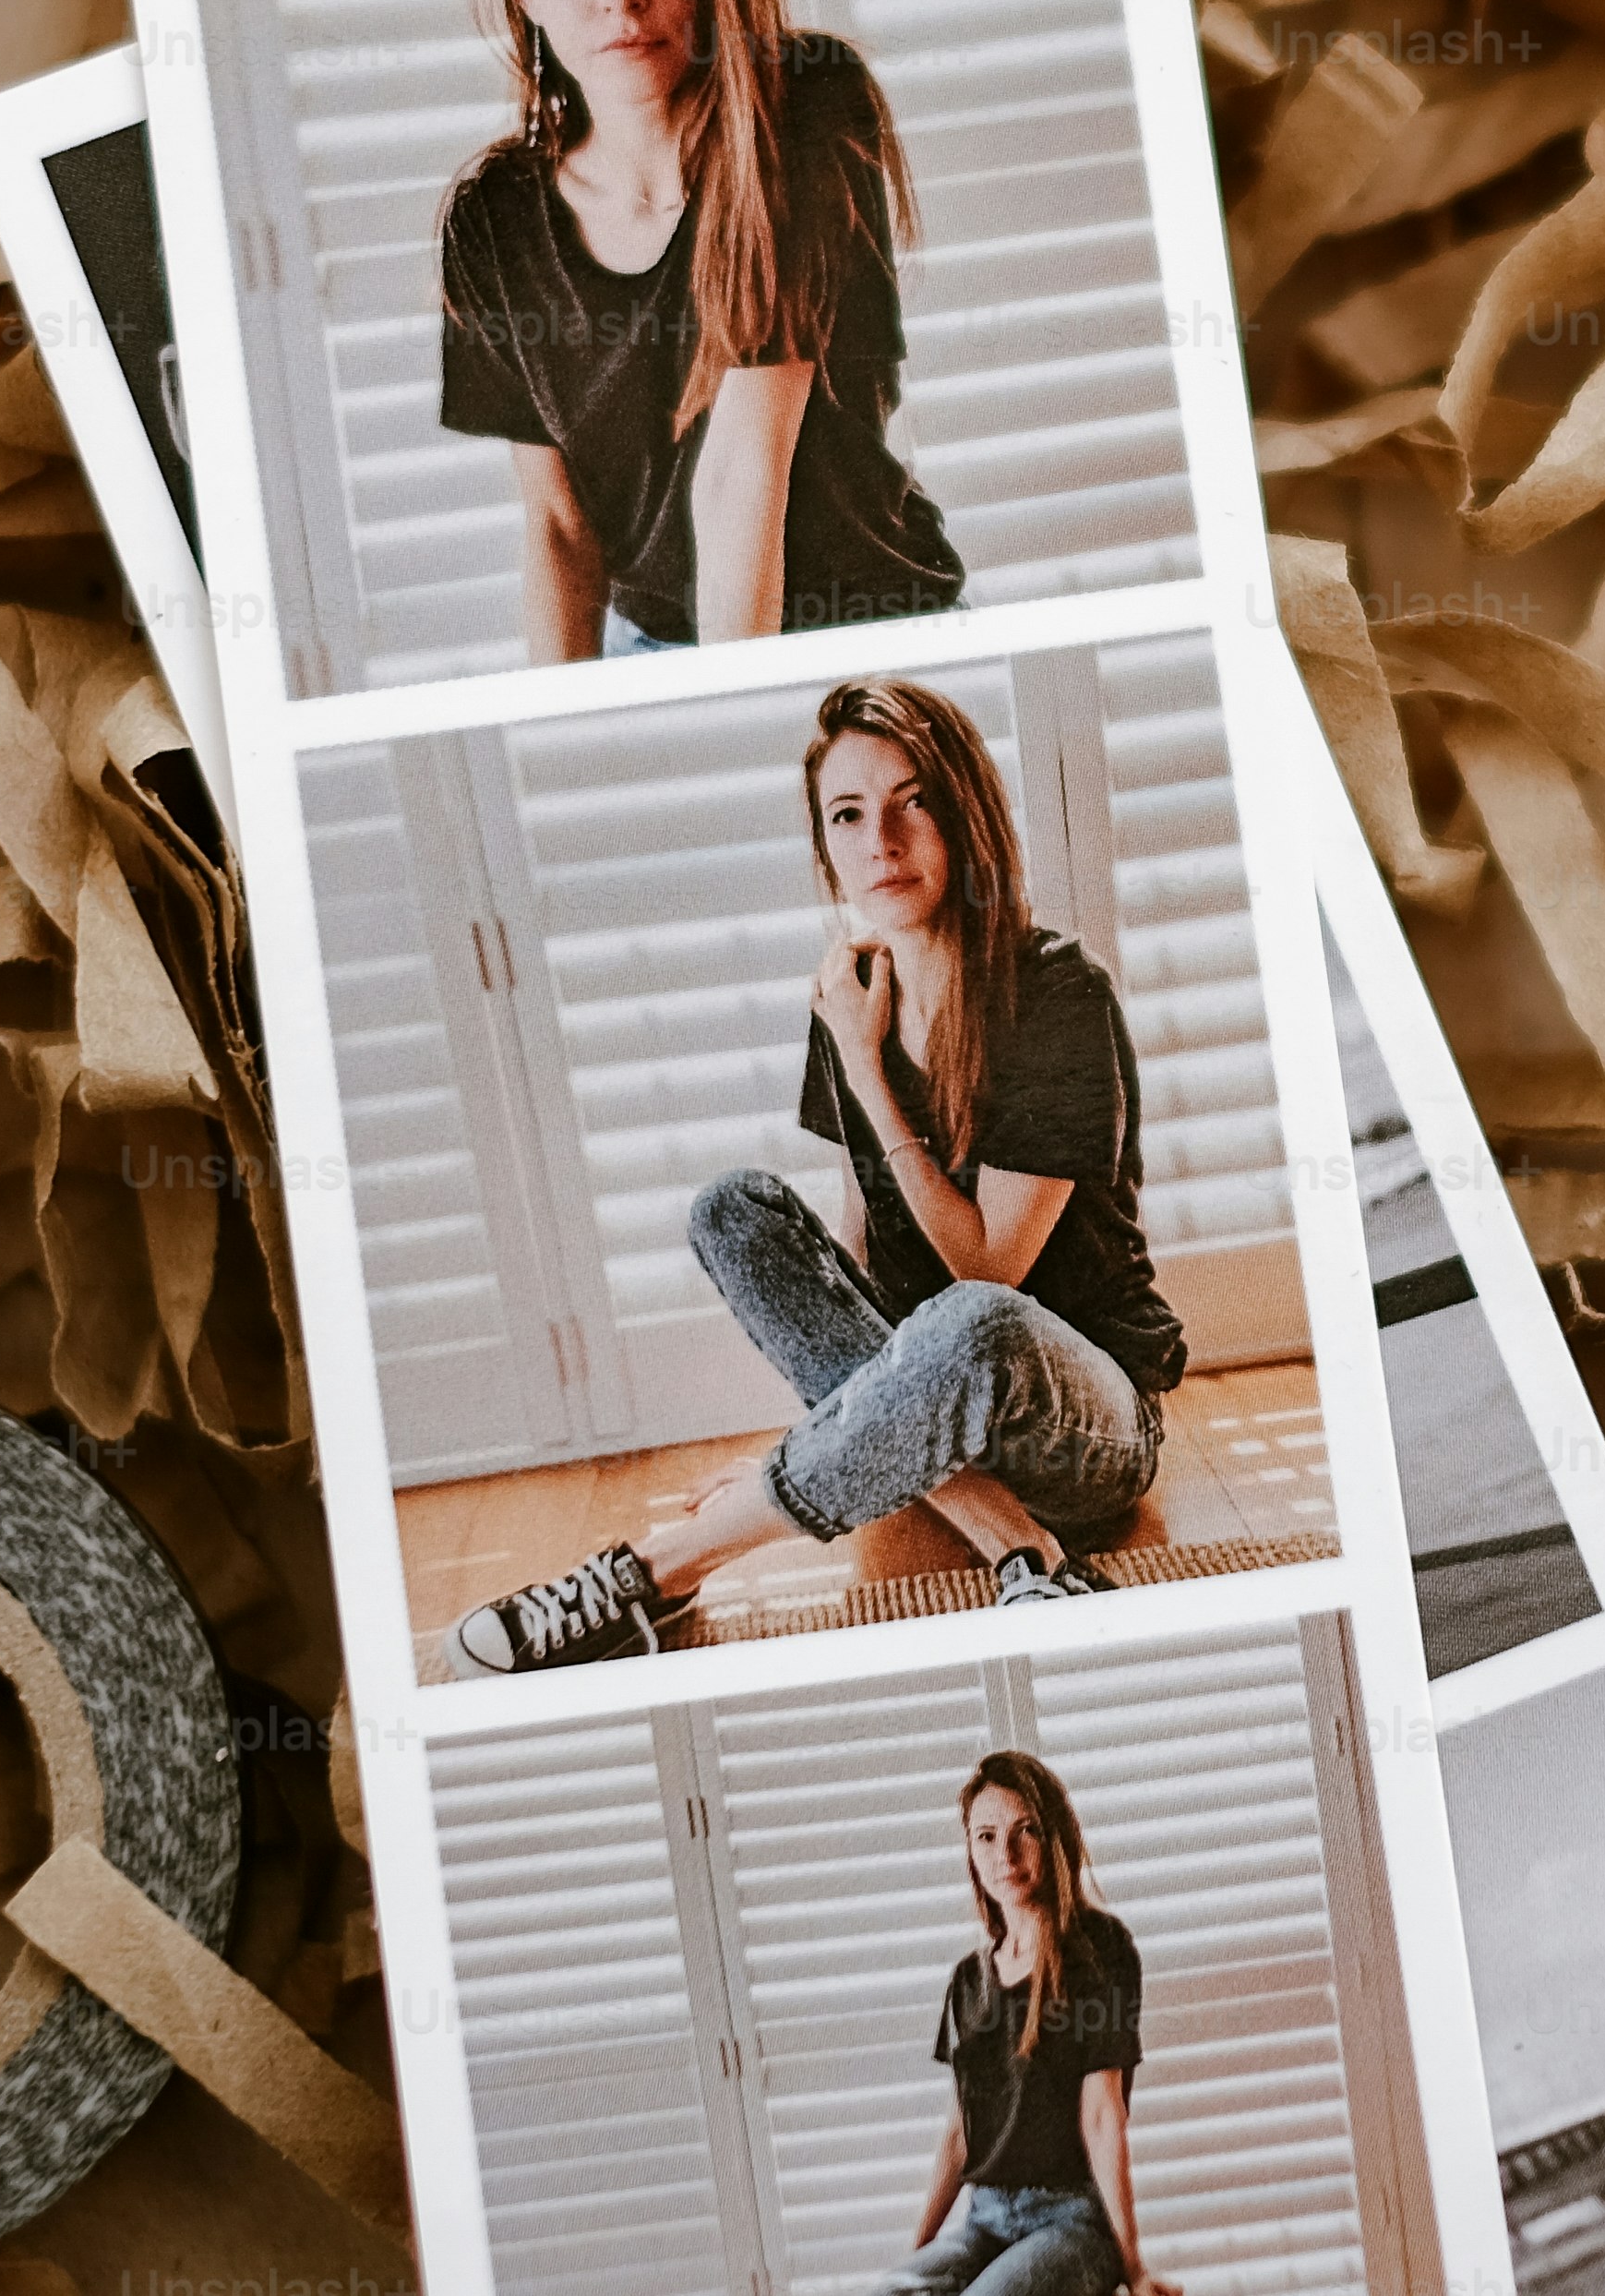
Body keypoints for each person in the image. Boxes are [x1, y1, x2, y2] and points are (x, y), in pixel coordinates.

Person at [448, 678, 1189, 1675]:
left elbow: (988, 1270)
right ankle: (1017, 1548)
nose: (878, 838)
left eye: (910, 799)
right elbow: (861, 1259)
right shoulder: (849, 991)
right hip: (932, 1406)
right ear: (824, 843)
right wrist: (845, 1426)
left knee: (971, 1319)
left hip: (1079, 1422)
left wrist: (868, 1072)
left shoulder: (1056, 990)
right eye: (847, 814)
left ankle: (652, 1573)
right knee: (732, 1209)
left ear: (964, 811)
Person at [432, 0, 962, 656]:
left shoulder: (804, 110)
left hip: (876, 630)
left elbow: (740, 473)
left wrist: (734, 715)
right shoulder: (494, 218)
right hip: (663, 645)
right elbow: (559, 529)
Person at [876, 1751, 1174, 2296]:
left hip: (1073, 2222)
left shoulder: (1099, 1950)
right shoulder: (968, 1981)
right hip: (984, 2222)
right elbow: (958, 2134)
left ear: (1054, 1837)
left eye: (1024, 1832)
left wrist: (1134, 2269)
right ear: (969, 1849)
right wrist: (913, 2262)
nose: (1005, 1855)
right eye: (986, 1837)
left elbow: (1104, 2116)